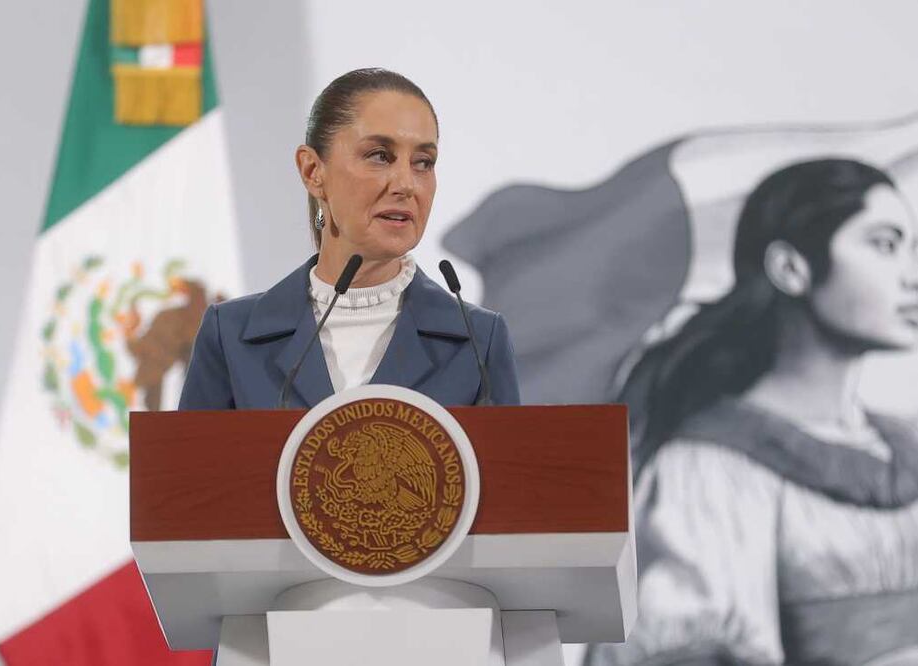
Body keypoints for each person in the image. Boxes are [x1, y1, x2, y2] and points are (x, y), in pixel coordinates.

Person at [587, 159, 918, 665]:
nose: (911, 274)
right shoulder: (709, 469)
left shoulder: (905, 442)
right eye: (885, 245)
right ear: (791, 268)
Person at [178, 68, 519, 410]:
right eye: (380, 156)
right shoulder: (231, 337)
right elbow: (191, 464)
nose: (406, 184)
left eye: (423, 162)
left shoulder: (477, 341)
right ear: (313, 171)